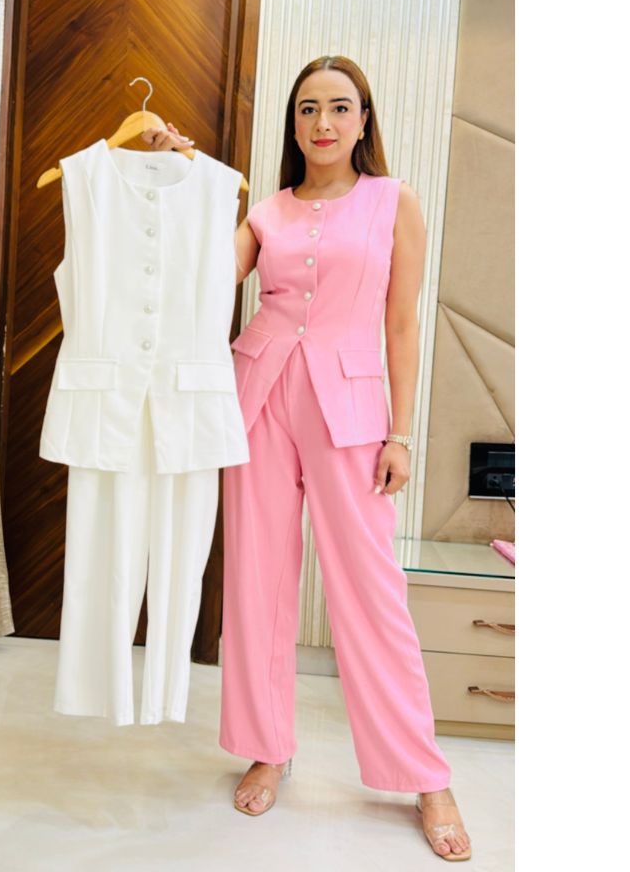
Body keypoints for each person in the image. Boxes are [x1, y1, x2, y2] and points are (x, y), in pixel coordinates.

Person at [145, 56, 472, 862]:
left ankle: (424, 774)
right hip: (256, 397)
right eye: (307, 109)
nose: (323, 123)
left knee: (371, 592)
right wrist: (180, 173)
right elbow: (204, 274)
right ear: (293, 125)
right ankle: (269, 747)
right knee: (256, 581)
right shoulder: (268, 212)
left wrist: (402, 433)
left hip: (351, 412)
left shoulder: (394, 202)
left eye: (339, 107)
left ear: (363, 120)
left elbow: (402, 325)